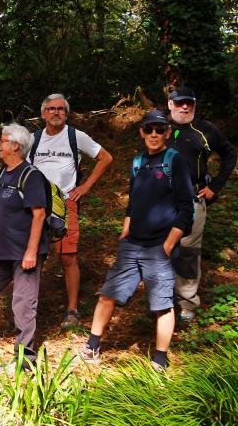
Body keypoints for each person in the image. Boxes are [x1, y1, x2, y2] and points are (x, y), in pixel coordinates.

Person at [79, 110, 194, 371]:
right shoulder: (138, 162)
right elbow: (132, 202)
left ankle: (160, 359)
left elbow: (186, 208)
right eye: (149, 129)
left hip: (159, 246)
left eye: (159, 130)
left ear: (167, 133)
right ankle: (92, 346)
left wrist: (169, 244)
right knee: (108, 295)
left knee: (163, 305)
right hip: (132, 245)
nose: (154, 134)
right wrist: (124, 234)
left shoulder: (175, 161)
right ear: (142, 132)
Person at [0, 124, 49, 370]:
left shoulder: (31, 176)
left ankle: (24, 361)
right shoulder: (2, 173)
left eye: (2, 140)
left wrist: (32, 252)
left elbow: (39, 215)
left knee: (23, 304)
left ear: (15, 145)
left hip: (25, 253)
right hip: (4, 250)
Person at [29, 94, 113, 328]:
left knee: (68, 257)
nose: (56, 112)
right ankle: (28, 308)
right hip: (36, 206)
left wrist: (85, 187)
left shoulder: (76, 136)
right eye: (51, 109)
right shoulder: (33, 139)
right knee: (33, 255)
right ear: (43, 113)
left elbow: (105, 158)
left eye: (61, 109)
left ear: (66, 114)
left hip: (66, 204)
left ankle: (72, 310)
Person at [165, 87, 237, 324]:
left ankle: (187, 302)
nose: (185, 107)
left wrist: (215, 186)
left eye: (189, 103)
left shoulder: (205, 130)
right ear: (170, 104)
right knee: (160, 247)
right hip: (162, 199)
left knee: (188, 250)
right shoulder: (160, 127)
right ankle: (162, 299)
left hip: (193, 198)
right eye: (180, 103)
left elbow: (230, 155)